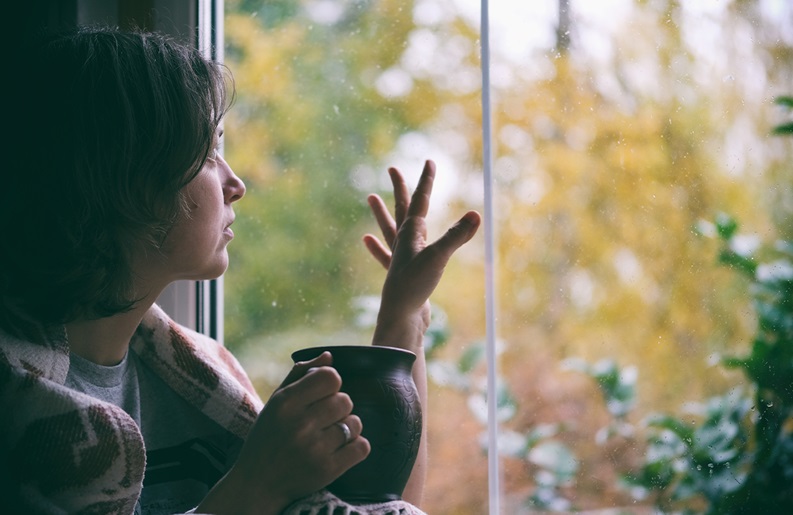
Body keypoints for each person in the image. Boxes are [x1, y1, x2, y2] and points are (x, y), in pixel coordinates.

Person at [0, 26, 481, 514]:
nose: (237, 184)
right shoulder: (15, 410)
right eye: (209, 152)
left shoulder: (206, 377)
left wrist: (404, 313)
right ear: (123, 178)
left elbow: (379, 505)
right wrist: (257, 487)